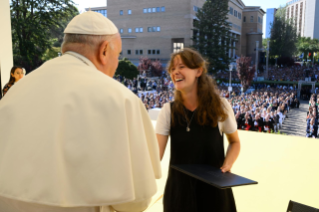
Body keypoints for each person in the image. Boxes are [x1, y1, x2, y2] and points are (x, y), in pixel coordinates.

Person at [0, 11, 161, 212]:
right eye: (117, 55)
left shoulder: (15, 93)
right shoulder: (121, 99)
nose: (117, 62)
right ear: (104, 51)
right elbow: (136, 201)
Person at [156, 48, 240, 212]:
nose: (176, 72)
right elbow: (154, 155)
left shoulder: (220, 106)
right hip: (179, 195)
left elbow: (235, 142)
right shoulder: (168, 110)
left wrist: (227, 165)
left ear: (198, 71)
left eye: (181, 66)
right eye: (173, 69)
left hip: (215, 195)